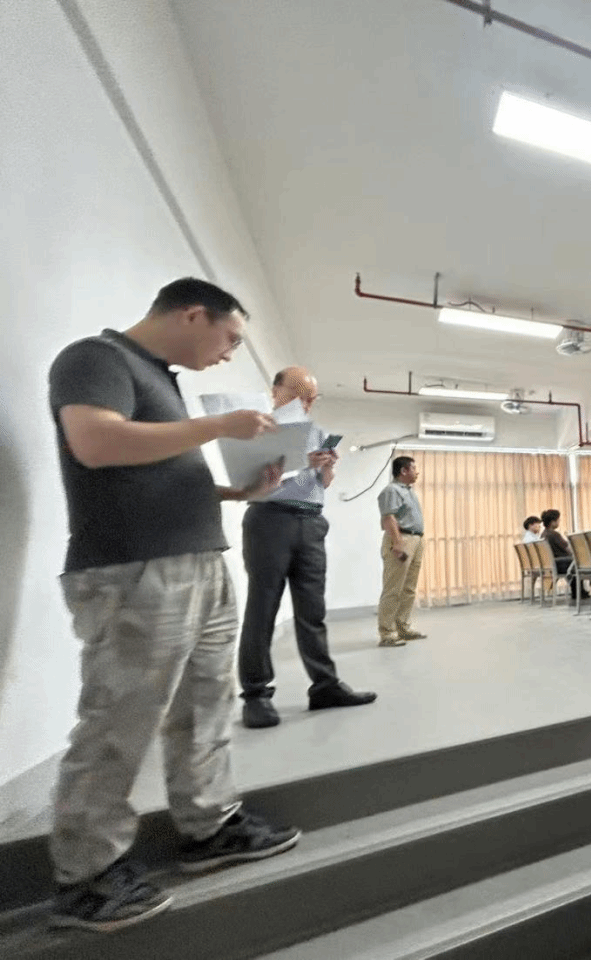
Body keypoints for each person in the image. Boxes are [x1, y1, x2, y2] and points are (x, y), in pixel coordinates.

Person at [46, 278, 301, 931]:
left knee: (206, 705)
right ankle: (86, 875)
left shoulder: (161, 380)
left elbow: (151, 472)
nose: (229, 353)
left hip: (198, 561)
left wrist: (236, 493)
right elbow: (95, 443)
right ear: (193, 315)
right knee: (120, 718)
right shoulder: (96, 358)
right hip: (135, 568)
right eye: (229, 338)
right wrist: (219, 425)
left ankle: (208, 826)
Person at [237, 367, 376, 729]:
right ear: (275, 391)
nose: (306, 402)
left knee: (312, 611)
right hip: (270, 519)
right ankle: (256, 695)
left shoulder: (314, 431)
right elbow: (248, 479)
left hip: (311, 521)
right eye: (299, 392)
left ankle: (325, 686)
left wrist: (327, 467)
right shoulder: (257, 427)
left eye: (311, 396)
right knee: (262, 609)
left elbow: (321, 483)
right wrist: (302, 461)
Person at [377, 456, 426, 647]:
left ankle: (403, 627)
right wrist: (397, 543)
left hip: (416, 539)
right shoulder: (392, 490)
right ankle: (387, 633)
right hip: (402, 539)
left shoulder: (409, 491)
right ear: (404, 471)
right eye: (414, 468)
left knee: (408, 589)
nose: (417, 472)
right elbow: (388, 518)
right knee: (393, 589)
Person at [540, 508, 584, 598]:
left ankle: (578, 591)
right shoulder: (554, 535)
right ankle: (579, 592)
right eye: (558, 520)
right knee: (580, 563)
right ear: (552, 522)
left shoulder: (543, 534)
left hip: (553, 564)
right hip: (561, 564)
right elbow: (568, 549)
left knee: (574, 563)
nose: (559, 522)